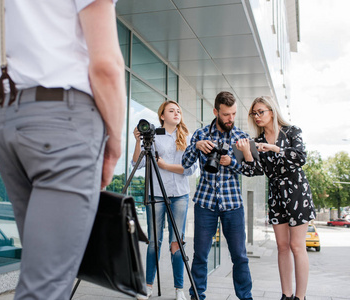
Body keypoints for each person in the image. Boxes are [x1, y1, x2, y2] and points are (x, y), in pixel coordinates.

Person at [0, 1, 126, 299]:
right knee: (45, 287)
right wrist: (115, 141)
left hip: (6, 120)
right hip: (63, 124)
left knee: (39, 273)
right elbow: (106, 66)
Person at [182, 91, 260, 300]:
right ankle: (197, 296)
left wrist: (232, 162)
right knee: (200, 255)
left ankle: (246, 297)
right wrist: (195, 146)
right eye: (226, 114)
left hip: (233, 205)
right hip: (205, 203)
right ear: (216, 111)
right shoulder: (200, 134)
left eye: (233, 114)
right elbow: (185, 163)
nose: (230, 119)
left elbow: (250, 170)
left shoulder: (241, 138)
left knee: (240, 257)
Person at [237, 96, 315, 300]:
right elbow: (254, 171)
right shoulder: (257, 141)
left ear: (272, 111)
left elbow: (300, 157)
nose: (257, 117)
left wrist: (274, 148)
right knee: (282, 246)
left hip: (297, 190)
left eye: (260, 112)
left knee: (297, 246)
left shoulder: (292, 131)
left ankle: (301, 296)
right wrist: (247, 153)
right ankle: (286, 295)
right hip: (276, 194)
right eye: (254, 113)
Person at [132, 101, 197, 300]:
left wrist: (166, 166)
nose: (176, 113)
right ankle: (148, 286)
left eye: (178, 110)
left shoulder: (185, 136)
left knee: (177, 242)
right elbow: (137, 163)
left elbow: (191, 169)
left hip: (179, 195)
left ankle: (179, 289)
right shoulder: (153, 137)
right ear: (162, 115)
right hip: (157, 194)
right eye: (171, 110)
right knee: (154, 242)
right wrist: (138, 141)